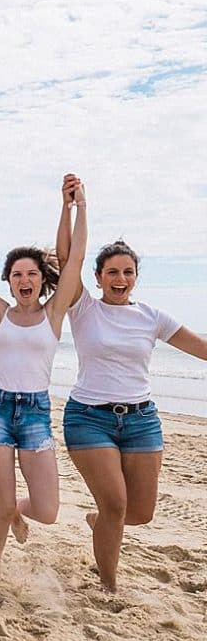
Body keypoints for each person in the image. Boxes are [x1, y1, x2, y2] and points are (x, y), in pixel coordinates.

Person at [56, 175, 207, 591]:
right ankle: (108, 585)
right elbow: (66, 257)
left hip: (142, 420)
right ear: (99, 276)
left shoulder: (152, 316)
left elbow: (202, 348)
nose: (119, 279)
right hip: (89, 418)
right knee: (117, 504)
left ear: (136, 276)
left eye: (127, 272)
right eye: (111, 272)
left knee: (139, 513)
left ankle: (100, 521)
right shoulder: (83, 307)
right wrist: (74, 206)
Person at [0, 181, 86, 572]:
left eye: (31, 274)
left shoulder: (56, 312)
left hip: (35, 413)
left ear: (42, 279)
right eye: (16, 275)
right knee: (1, 502)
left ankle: (14, 513)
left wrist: (72, 207)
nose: (24, 280)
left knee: (47, 510)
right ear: (9, 281)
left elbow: (74, 260)